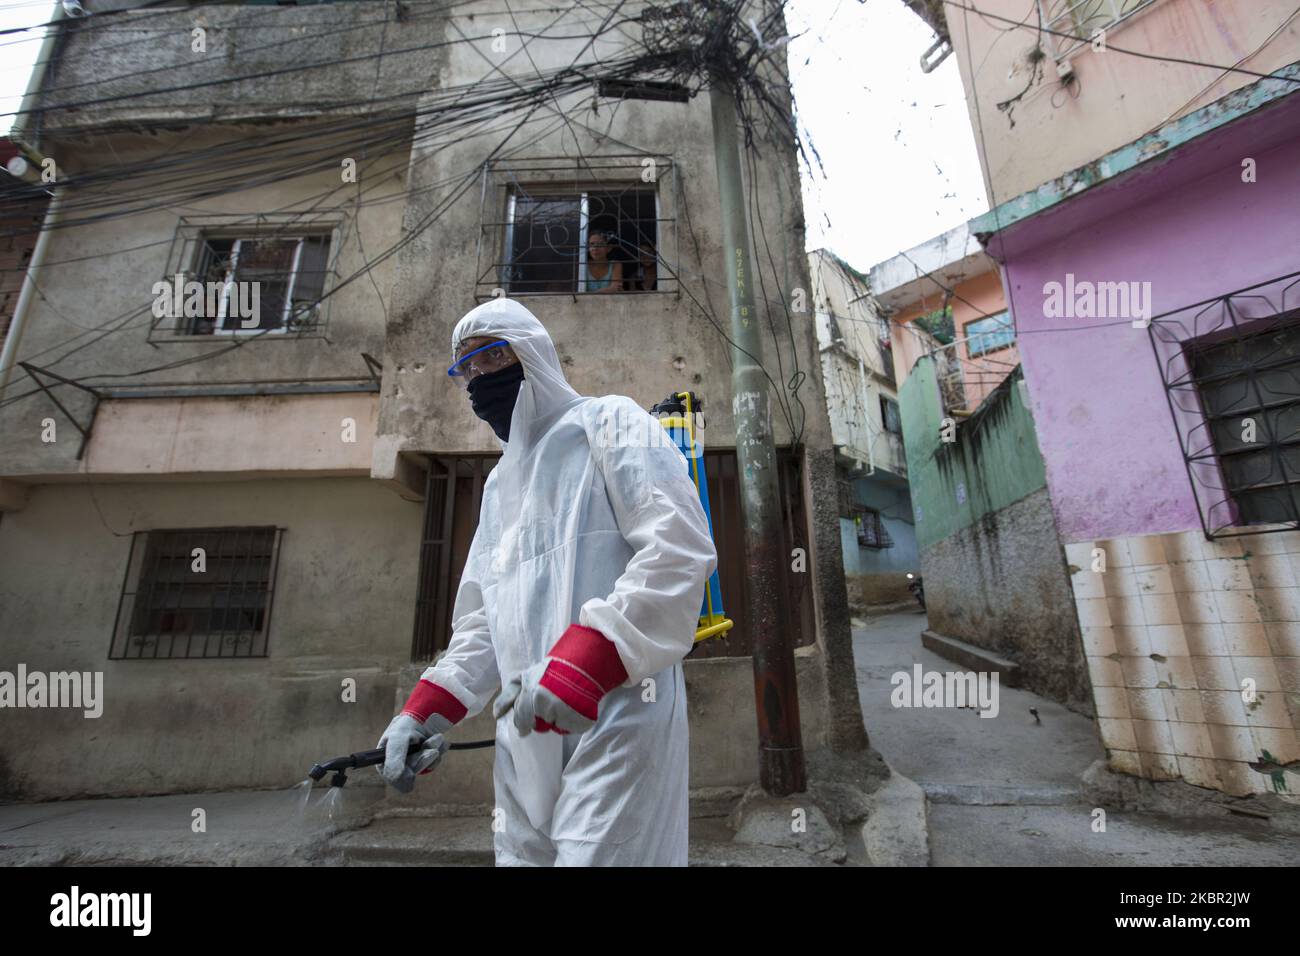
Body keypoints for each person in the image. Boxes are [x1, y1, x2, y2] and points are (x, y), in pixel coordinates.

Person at [376, 297, 717, 866]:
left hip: (618, 709)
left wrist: (584, 665)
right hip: (522, 725)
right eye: (465, 370)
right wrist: (424, 713)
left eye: (487, 360)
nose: (475, 383)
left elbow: (677, 547)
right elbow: (484, 622)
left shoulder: (609, 422)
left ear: (530, 355)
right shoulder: (498, 487)